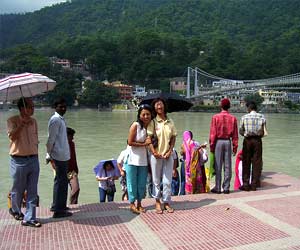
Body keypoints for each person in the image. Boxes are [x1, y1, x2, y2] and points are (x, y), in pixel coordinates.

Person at [7, 97, 41, 227]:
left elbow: (36, 140)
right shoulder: (12, 121)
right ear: (23, 108)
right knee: (18, 189)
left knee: (32, 190)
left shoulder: (34, 122)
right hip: (18, 160)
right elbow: (13, 137)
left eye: (33, 106)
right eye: (30, 106)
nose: (33, 109)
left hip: (33, 159)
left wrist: (37, 156)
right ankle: (15, 209)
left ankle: (30, 218)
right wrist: (21, 124)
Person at [148, 98, 177, 214]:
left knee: (167, 180)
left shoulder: (170, 121)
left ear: (164, 106)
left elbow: (174, 136)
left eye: (160, 104)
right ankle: (157, 202)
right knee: (155, 180)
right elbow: (148, 138)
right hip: (156, 155)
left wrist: (170, 151)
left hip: (167, 155)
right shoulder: (153, 122)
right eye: (156, 104)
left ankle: (167, 201)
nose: (159, 106)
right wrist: (154, 152)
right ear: (154, 108)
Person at [46, 98, 72, 218]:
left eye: (64, 106)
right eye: (60, 106)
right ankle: (58, 210)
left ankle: (59, 205)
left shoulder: (60, 119)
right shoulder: (55, 120)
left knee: (62, 182)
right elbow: (50, 139)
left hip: (63, 155)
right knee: (61, 182)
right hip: (59, 156)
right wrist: (49, 154)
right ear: (55, 107)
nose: (63, 108)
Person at [126, 104, 152, 213]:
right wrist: (144, 144)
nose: (146, 116)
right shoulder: (135, 125)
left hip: (143, 160)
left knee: (142, 183)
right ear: (139, 115)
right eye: (143, 114)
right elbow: (130, 142)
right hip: (132, 159)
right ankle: (132, 204)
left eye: (148, 114)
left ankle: (140, 203)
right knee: (132, 182)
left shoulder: (150, 127)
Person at [209, 98, 238, 194]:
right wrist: (235, 147)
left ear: (221, 106)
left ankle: (217, 187)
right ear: (229, 107)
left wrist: (212, 146)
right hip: (227, 142)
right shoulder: (233, 118)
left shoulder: (215, 117)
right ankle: (226, 188)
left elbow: (213, 134)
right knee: (227, 165)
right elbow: (235, 135)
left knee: (218, 165)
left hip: (218, 142)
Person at [239, 101, 266, 191]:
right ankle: (254, 184)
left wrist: (246, 135)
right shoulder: (262, 117)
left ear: (249, 108)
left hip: (247, 140)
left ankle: (246, 184)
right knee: (256, 162)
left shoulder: (244, 117)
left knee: (246, 162)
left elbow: (241, 130)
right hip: (257, 140)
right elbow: (263, 131)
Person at [67, 127, 80, 204]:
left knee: (76, 189)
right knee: (62, 190)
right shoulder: (61, 144)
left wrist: (76, 168)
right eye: (71, 135)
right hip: (62, 170)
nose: (73, 137)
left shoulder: (72, 144)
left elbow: (74, 157)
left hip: (71, 171)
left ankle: (72, 204)